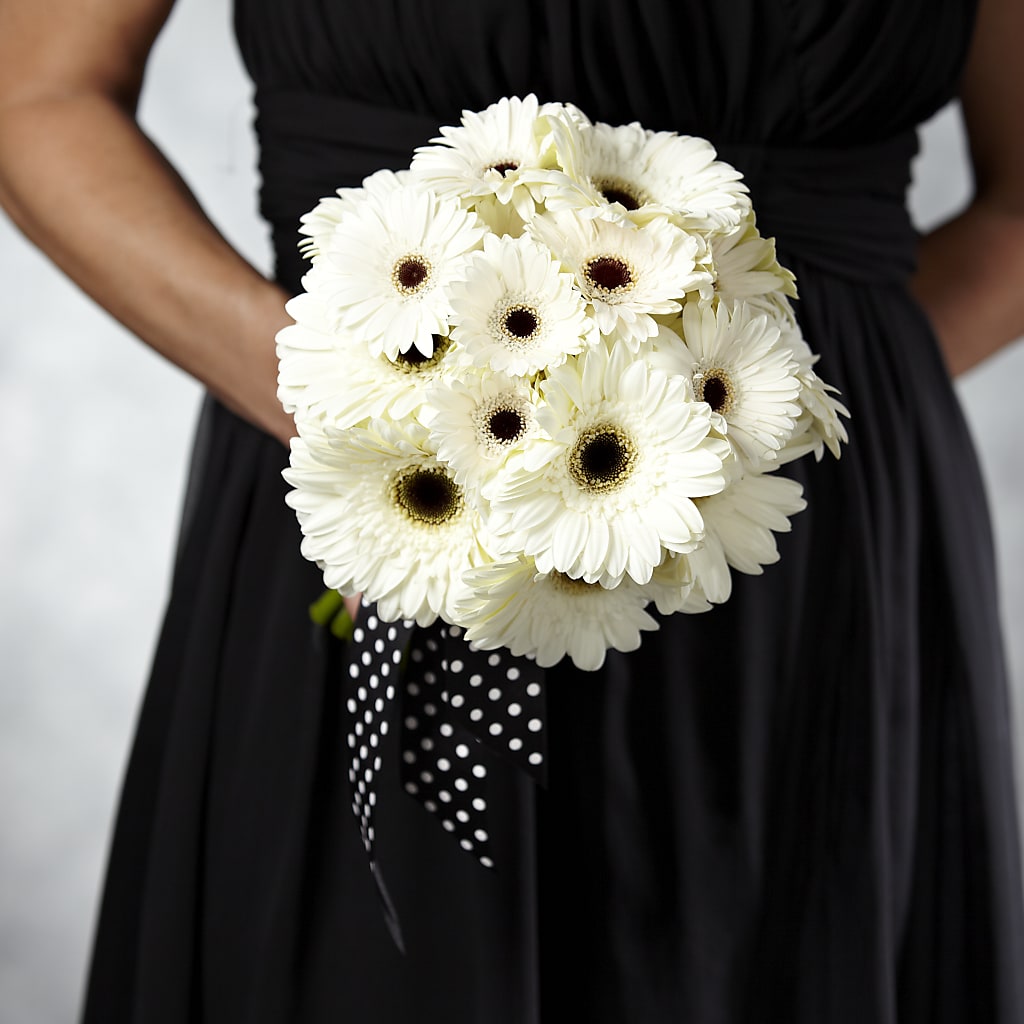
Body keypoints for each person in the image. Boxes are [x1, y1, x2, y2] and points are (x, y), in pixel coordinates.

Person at [1, 0, 1023, 1021]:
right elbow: (36, 97)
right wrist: (376, 417)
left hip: (806, 558)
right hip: (388, 511)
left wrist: (744, 415)